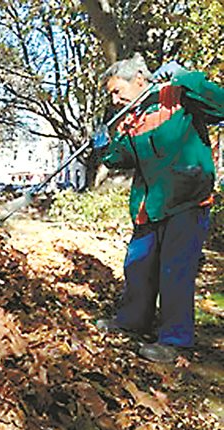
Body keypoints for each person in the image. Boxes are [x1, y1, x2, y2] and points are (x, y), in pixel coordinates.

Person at [94, 54, 223, 363]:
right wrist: (102, 146)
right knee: (138, 266)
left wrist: (185, 76)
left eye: (116, 91)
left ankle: (175, 340)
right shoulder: (132, 117)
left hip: (186, 199)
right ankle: (132, 322)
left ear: (139, 80)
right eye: (110, 94)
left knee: (175, 270)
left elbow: (220, 105)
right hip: (148, 205)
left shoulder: (176, 96)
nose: (114, 99)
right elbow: (121, 158)